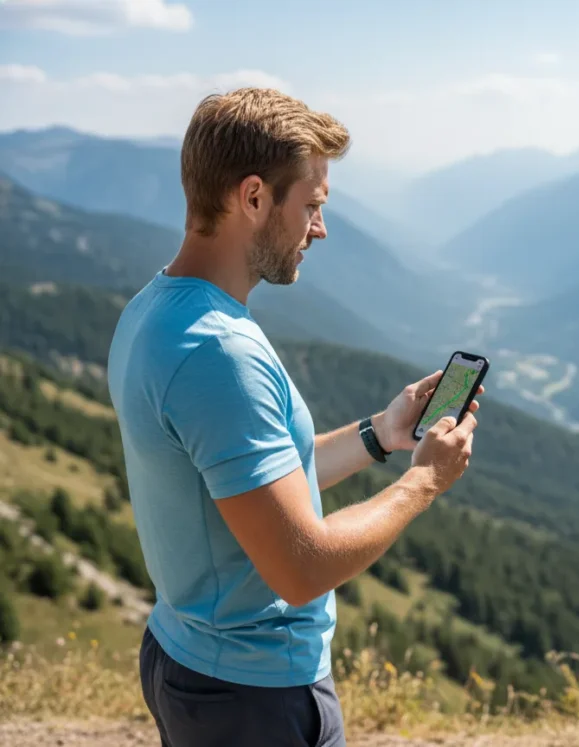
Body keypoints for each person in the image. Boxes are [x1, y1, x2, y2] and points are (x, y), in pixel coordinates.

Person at [106, 87, 480, 747]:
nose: (321, 228)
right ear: (252, 198)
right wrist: (423, 480)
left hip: (192, 659)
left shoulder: (155, 308)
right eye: (311, 206)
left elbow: (254, 482)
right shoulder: (218, 351)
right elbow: (301, 564)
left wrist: (379, 435)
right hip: (255, 697)